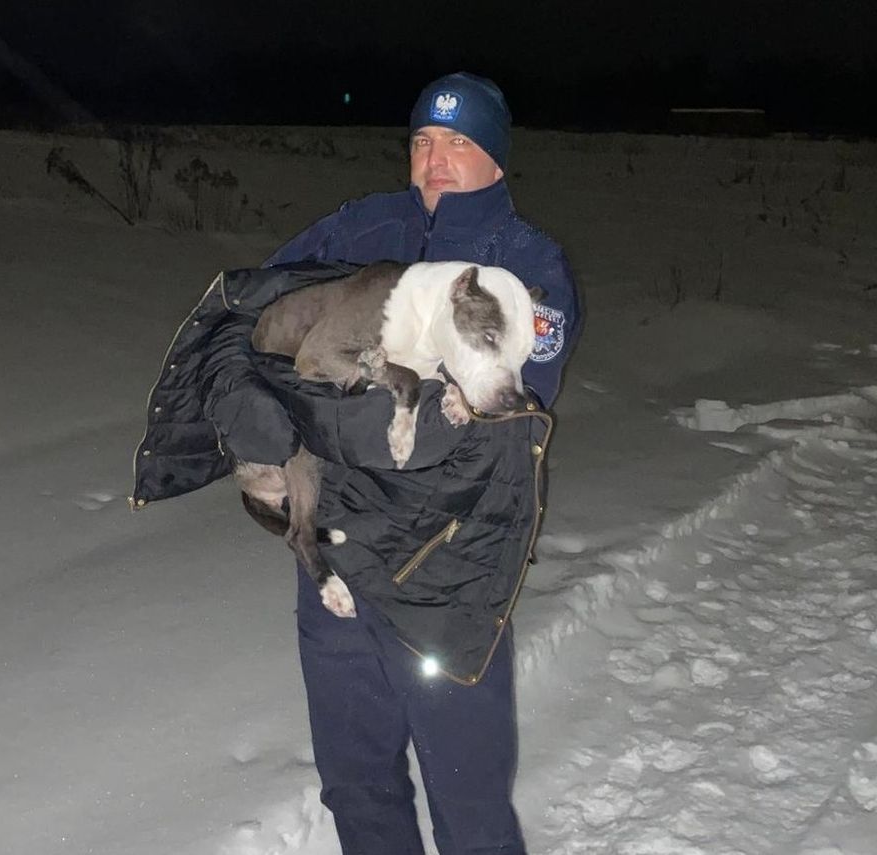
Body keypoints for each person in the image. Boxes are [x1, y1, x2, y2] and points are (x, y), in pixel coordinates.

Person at [263, 72, 583, 854]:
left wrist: (334, 396)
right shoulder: (362, 230)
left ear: (496, 161)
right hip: (335, 563)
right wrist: (252, 389)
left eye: (458, 143)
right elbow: (267, 306)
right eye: (422, 142)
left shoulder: (521, 267)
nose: (435, 160)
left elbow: (505, 412)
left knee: (468, 804)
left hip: (446, 576)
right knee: (356, 784)